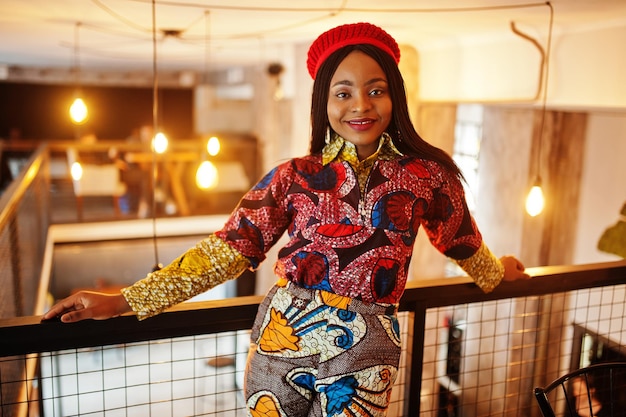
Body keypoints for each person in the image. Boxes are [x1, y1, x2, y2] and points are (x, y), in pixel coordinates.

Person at [44, 22, 530, 417]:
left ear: (394, 96)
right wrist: (122, 300)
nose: (360, 104)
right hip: (279, 339)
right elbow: (223, 253)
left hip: (368, 351)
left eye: (375, 90)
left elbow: (459, 239)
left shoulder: (428, 175)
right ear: (324, 102)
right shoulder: (292, 176)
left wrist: (496, 274)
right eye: (343, 93)